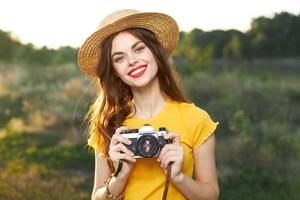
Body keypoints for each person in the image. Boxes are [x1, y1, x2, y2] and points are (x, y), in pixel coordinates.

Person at [78, 9, 219, 200]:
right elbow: (97, 197)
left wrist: (178, 177)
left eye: (139, 48)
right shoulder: (108, 124)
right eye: (119, 58)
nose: (132, 61)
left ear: (155, 51)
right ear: (115, 72)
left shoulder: (196, 119)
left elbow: (211, 195)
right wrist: (120, 176)